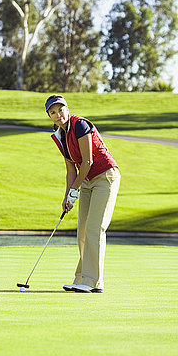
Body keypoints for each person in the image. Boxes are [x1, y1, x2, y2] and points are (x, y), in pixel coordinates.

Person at [45, 94, 121, 293]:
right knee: (83, 231)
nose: (58, 114)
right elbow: (71, 170)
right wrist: (67, 195)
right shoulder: (59, 136)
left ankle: (93, 281)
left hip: (105, 177)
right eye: (53, 112)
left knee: (95, 228)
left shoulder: (80, 125)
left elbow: (87, 162)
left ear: (67, 109)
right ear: (50, 116)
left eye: (61, 109)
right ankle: (81, 279)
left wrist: (74, 189)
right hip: (86, 181)